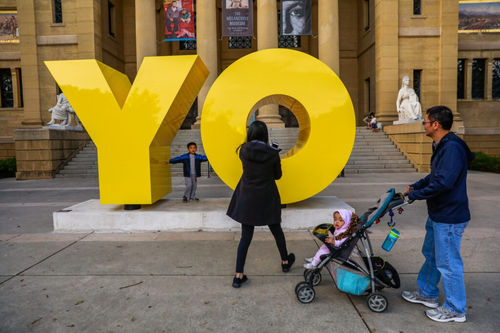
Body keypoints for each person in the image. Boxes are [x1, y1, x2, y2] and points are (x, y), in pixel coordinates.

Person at [402, 106, 474, 323]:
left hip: (449, 216)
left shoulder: (451, 148)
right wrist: (414, 187)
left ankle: (455, 308)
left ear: (436, 124)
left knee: (449, 263)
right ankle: (428, 293)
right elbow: (435, 177)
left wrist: (415, 196)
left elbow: (443, 183)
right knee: (432, 255)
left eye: (425, 122)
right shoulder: (442, 145)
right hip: (438, 213)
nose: (423, 125)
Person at [227, 121, 295, 288]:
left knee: (245, 237)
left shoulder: (243, 150)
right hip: (267, 196)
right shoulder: (272, 153)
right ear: (265, 134)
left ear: (250, 134)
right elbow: (277, 176)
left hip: (247, 196)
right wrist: (274, 154)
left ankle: (238, 275)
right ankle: (285, 262)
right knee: (276, 230)